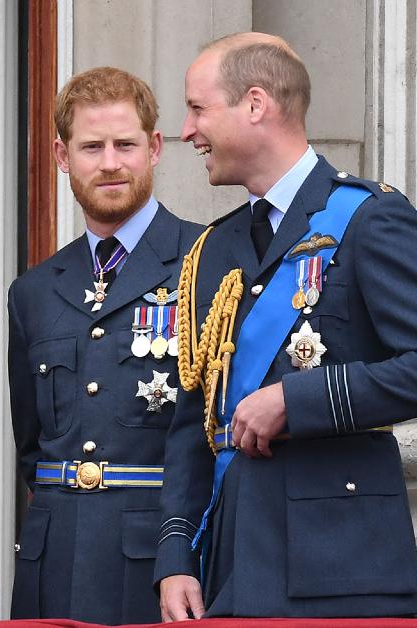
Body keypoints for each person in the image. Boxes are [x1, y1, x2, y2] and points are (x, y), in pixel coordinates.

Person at [157, 32, 417, 620]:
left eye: (198, 109)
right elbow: (190, 425)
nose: (187, 130)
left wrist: (297, 401)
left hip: (341, 564)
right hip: (228, 564)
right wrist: (175, 554)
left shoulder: (369, 219)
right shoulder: (212, 250)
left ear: (255, 104)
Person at [6, 66, 203, 625]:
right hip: (55, 557)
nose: (111, 162)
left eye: (126, 144)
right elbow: (32, 446)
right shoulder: (34, 290)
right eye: (92, 147)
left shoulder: (208, 262)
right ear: (62, 157)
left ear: (156, 148)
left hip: (161, 562)